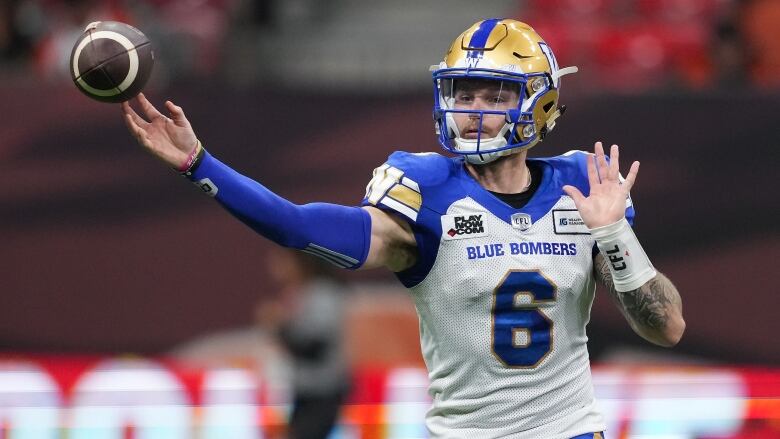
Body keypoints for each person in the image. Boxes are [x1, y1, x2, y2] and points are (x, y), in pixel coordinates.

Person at [122, 18, 685, 439]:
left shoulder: (582, 187)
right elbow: (297, 227)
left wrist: (615, 236)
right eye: (464, 93)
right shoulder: (426, 190)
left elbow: (667, 328)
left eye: (495, 94)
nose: (474, 109)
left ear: (540, 104)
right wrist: (201, 164)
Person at [256, 247, 350, 439]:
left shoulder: (322, 293)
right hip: (304, 392)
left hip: (322, 393)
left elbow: (314, 345)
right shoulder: (301, 293)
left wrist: (280, 327)